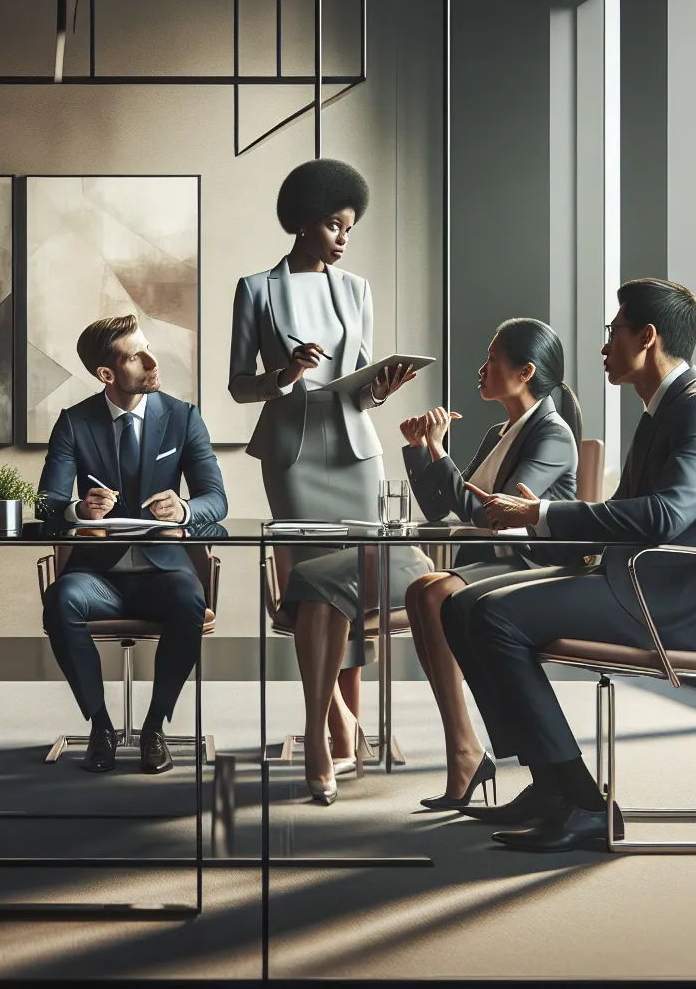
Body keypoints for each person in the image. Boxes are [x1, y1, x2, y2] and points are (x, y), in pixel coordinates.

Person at [446, 278, 696, 852]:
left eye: (614, 332)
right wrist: (551, 520)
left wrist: (543, 513)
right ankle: (549, 786)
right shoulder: (665, 409)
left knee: (491, 617)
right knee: (461, 605)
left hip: (663, 600)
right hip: (630, 579)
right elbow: (629, 511)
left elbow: (663, 516)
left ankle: (583, 800)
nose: (605, 346)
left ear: (648, 337)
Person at [228, 158, 422, 805]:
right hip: (293, 455)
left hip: (355, 452)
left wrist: (381, 388)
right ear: (304, 223)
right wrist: (282, 375)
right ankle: (327, 728)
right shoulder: (255, 289)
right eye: (336, 224)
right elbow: (238, 385)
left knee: (353, 590)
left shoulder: (357, 290)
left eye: (350, 227)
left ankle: (339, 735)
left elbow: (359, 385)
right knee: (311, 590)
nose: (344, 237)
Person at [398, 318, 582, 810]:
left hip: (530, 566)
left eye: (492, 360)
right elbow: (440, 507)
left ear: (525, 372)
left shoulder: (553, 435)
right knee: (421, 590)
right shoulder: (503, 431)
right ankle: (464, 747)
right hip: (493, 563)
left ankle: (464, 751)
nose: (481, 369)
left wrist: (438, 448)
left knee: (432, 592)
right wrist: (420, 452)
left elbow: (489, 512)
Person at [36, 315, 228, 775]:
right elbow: (48, 504)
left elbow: (215, 499)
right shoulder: (74, 423)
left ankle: (154, 727)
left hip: (164, 573)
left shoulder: (182, 417)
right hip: (97, 576)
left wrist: (183, 509)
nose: (151, 360)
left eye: (148, 348)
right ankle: (100, 726)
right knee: (60, 598)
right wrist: (80, 510)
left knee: (188, 600)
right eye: (135, 355)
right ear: (107, 374)